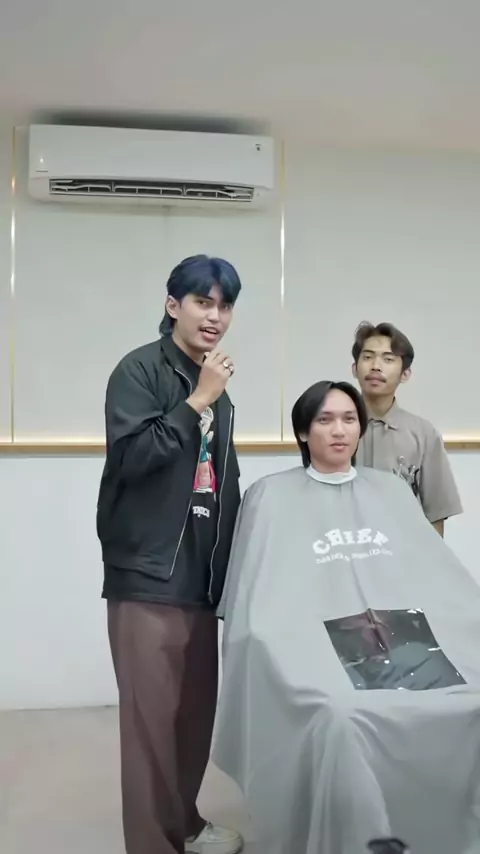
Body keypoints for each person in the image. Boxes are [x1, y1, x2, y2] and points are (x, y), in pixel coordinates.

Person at [213, 380, 480, 854]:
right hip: (314, 648)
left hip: (406, 639)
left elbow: (436, 578)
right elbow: (257, 603)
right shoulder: (269, 496)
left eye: (349, 419)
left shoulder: (391, 491)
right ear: (302, 431)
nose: (339, 430)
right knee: (341, 714)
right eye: (325, 420)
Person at [96, 255, 244, 854]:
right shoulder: (139, 370)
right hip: (147, 574)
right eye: (203, 302)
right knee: (149, 729)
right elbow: (133, 460)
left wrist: (232, 571)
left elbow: (222, 482)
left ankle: (183, 822)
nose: (215, 316)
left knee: (191, 721)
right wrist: (197, 399)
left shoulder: (215, 387)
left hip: (201, 578)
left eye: (225, 306)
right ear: (173, 305)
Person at [351, 321, 462, 536]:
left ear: (405, 374)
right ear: (355, 369)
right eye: (368, 357)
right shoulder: (335, 429)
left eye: (388, 359)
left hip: (403, 549)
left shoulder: (423, 434)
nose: (376, 366)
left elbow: (435, 514)